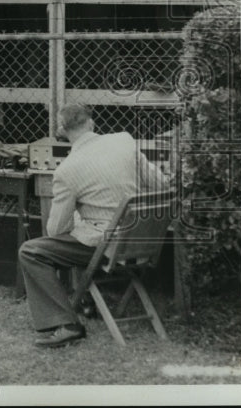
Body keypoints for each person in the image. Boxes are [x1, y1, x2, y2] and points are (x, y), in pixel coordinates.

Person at [18, 104, 167, 348]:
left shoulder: (67, 170)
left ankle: (67, 324)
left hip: (105, 245)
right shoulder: (124, 141)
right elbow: (161, 185)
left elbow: (55, 231)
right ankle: (86, 302)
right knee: (80, 229)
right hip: (141, 241)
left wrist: (79, 218)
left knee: (32, 251)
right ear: (91, 123)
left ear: (62, 131)